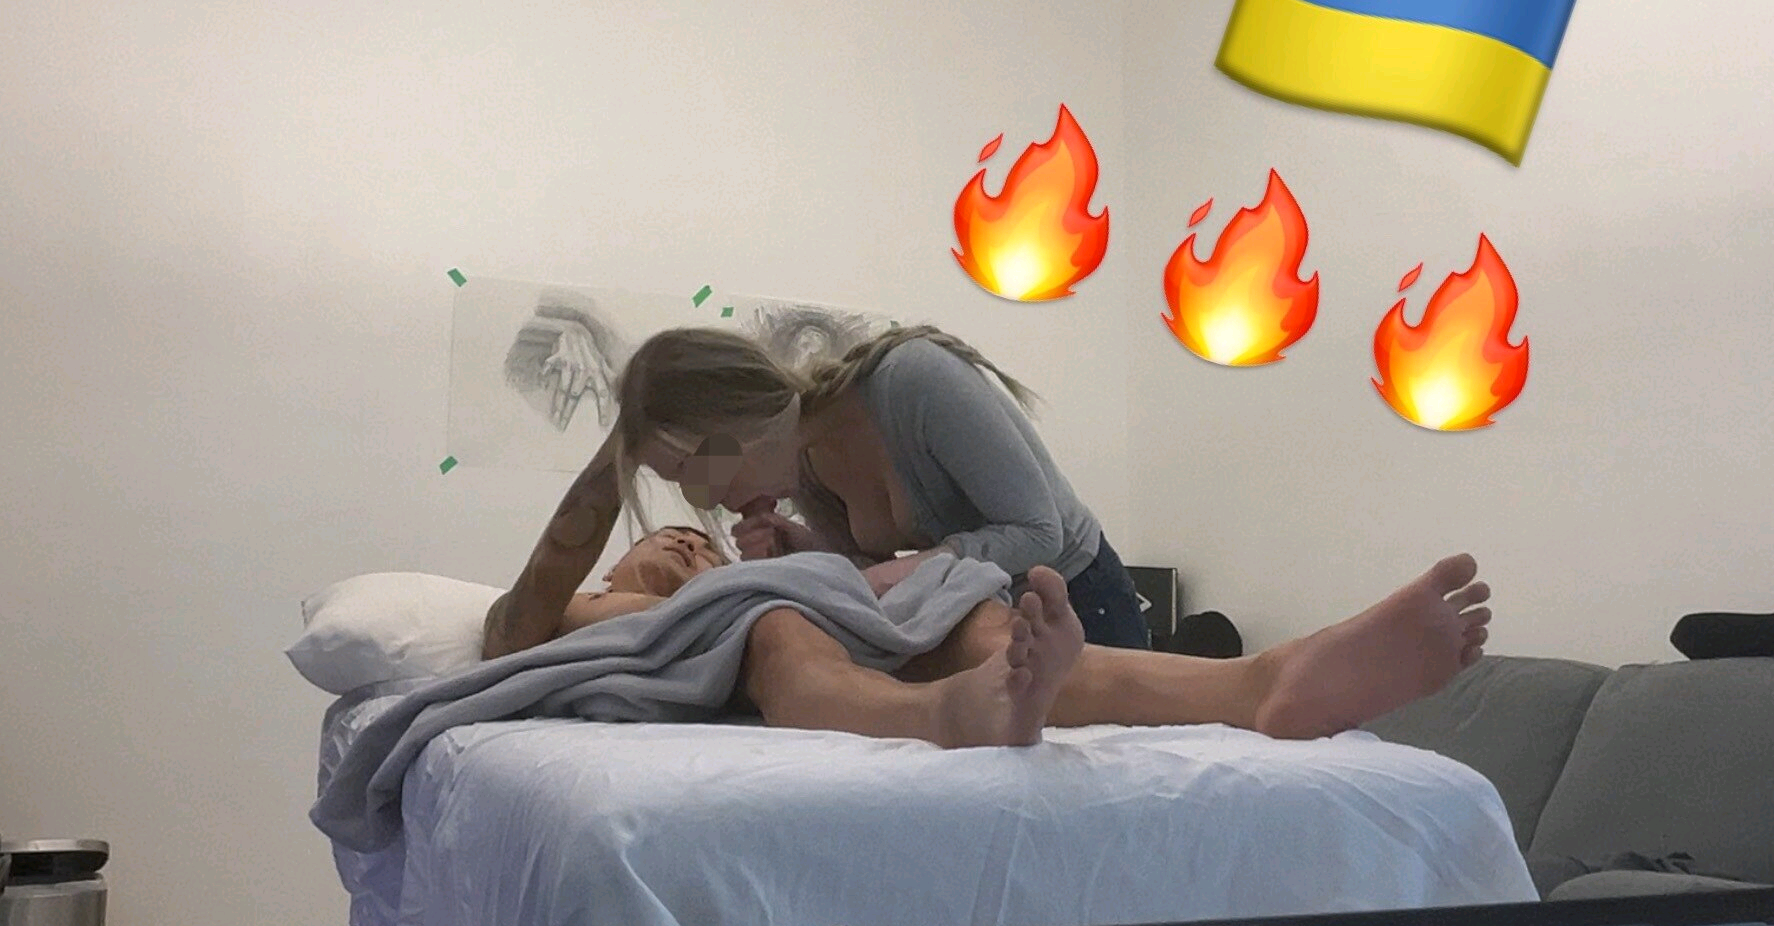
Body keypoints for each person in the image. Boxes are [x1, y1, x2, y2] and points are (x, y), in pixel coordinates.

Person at [485, 324, 1154, 660]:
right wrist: (806, 550)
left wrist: (896, 572)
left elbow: (1038, 531)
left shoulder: (914, 381)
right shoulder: (801, 462)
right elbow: (878, 576)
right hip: (988, 618)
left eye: (694, 470)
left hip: (1080, 596)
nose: (706, 501)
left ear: (736, 426)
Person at [544, 524, 1495, 747]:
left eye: (700, 541)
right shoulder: (600, 608)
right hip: (769, 630)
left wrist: (819, 559)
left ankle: (1262, 681)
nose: (685, 543)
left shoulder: (783, 573)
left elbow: (865, 588)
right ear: (616, 569)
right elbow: (527, 622)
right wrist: (738, 586)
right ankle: (941, 714)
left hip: (864, 612)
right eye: (663, 542)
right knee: (779, 631)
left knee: (981, 620)